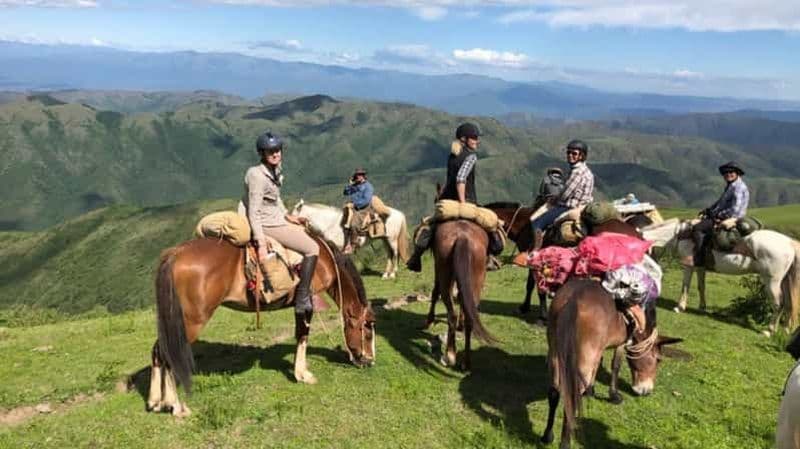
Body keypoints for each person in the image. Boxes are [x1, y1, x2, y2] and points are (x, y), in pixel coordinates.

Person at [242, 131, 319, 321]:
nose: (276, 154)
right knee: (312, 248)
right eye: (270, 152)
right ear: (262, 154)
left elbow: (276, 199)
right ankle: (302, 299)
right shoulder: (257, 175)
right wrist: (260, 242)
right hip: (267, 223)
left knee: (305, 231)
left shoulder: (274, 170)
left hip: (276, 217)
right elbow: (254, 210)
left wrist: (287, 215)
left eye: (277, 150)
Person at [406, 122, 503, 272]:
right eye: (474, 137)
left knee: (429, 227)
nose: (477, 140)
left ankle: (416, 258)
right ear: (464, 139)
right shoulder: (471, 156)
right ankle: (489, 257)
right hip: (466, 201)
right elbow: (460, 179)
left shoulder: (453, 155)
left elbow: (451, 178)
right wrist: (463, 202)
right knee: (492, 226)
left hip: (446, 201)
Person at [530, 139, 595, 247]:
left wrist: (554, 200)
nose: (570, 155)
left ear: (581, 156)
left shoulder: (577, 172)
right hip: (582, 204)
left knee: (536, 223)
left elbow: (565, 195)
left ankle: (535, 251)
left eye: (574, 153)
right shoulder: (586, 170)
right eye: (568, 152)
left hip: (570, 207)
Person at [691, 161, 750, 266]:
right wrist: (709, 210)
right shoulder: (731, 185)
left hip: (733, 217)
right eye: (726, 173)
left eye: (731, 172)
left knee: (698, 228)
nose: (728, 174)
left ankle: (700, 258)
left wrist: (718, 215)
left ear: (737, 173)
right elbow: (721, 202)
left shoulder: (738, 188)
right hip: (728, 215)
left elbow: (735, 209)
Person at [342, 168, 374, 253]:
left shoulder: (368, 186)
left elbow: (366, 200)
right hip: (352, 206)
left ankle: (353, 245)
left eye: (360, 175)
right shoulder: (355, 185)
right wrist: (350, 184)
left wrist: (355, 204)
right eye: (357, 175)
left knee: (353, 225)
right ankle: (345, 241)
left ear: (363, 176)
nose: (358, 176)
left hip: (363, 208)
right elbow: (345, 192)